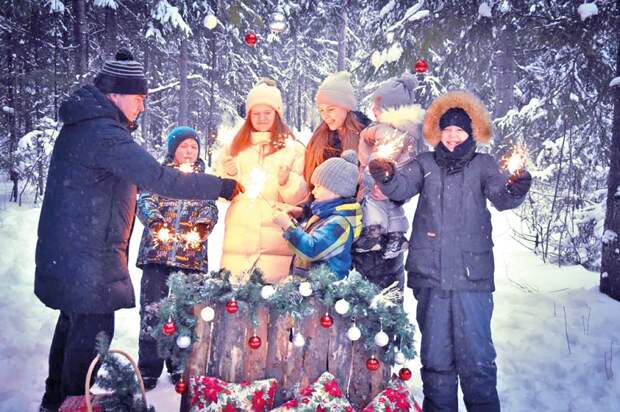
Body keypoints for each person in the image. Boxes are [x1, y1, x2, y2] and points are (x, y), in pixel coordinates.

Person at [35, 48, 242, 412]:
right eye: (138, 99)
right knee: (92, 334)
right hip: (88, 256)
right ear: (115, 95)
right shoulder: (105, 135)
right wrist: (219, 186)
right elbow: (158, 177)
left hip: (70, 252)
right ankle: (70, 403)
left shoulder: (84, 126)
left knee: (72, 325)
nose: (142, 107)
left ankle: (55, 401)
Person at [369, 90, 532, 412]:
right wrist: (386, 175)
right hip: (430, 276)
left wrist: (516, 188)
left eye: (459, 130)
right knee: (436, 359)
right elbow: (401, 188)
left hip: (473, 277)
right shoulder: (425, 163)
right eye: (447, 131)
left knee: (478, 360)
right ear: (438, 133)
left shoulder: (484, 165)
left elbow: (502, 198)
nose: (453, 137)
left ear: (471, 133)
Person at [135, 126, 218, 390]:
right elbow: (145, 202)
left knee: (185, 313)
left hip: (190, 259)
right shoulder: (160, 177)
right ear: (173, 149)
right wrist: (157, 222)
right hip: (157, 255)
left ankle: (179, 364)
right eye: (184, 146)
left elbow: (210, 207)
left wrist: (204, 225)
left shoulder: (203, 180)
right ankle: (148, 367)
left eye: (193, 147)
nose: (189, 151)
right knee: (153, 312)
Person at [215, 79, 307, 284]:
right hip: (239, 239)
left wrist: (287, 181)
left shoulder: (293, 149)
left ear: (277, 114)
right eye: (256, 113)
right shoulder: (235, 148)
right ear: (248, 116)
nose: (262, 118)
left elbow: (301, 198)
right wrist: (229, 176)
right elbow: (222, 194)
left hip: (276, 238)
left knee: (273, 300)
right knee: (236, 301)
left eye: (267, 113)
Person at [356, 72, 424, 260]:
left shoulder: (386, 130)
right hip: (398, 178)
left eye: (377, 106)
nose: (373, 109)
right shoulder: (407, 130)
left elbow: (379, 157)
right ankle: (396, 235)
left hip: (380, 174)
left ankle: (373, 232)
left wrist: (371, 180)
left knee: (373, 201)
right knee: (393, 206)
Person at [273, 150, 361, 280]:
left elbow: (312, 249)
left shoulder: (340, 223)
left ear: (336, 191)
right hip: (309, 289)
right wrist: (293, 221)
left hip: (324, 294)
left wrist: (288, 227)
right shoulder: (324, 215)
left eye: (318, 187)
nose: (313, 191)